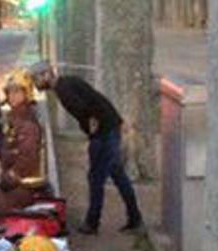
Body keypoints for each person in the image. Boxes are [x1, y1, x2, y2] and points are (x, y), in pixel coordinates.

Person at [29, 61, 143, 234]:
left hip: (104, 133)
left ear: (46, 75)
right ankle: (134, 217)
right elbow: (95, 98)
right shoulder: (67, 82)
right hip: (109, 127)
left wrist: (92, 119)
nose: (36, 84)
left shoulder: (63, 90)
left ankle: (92, 222)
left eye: (36, 79)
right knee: (117, 174)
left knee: (96, 178)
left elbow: (87, 106)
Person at [0, 69, 44, 215]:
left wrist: (11, 176)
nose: (12, 96)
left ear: (27, 94)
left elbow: (28, 157)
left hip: (23, 188)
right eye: (10, 92)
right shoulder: (15, 120)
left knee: (2, 218)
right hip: (15, 185)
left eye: (17, 92)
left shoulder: (27, 124)